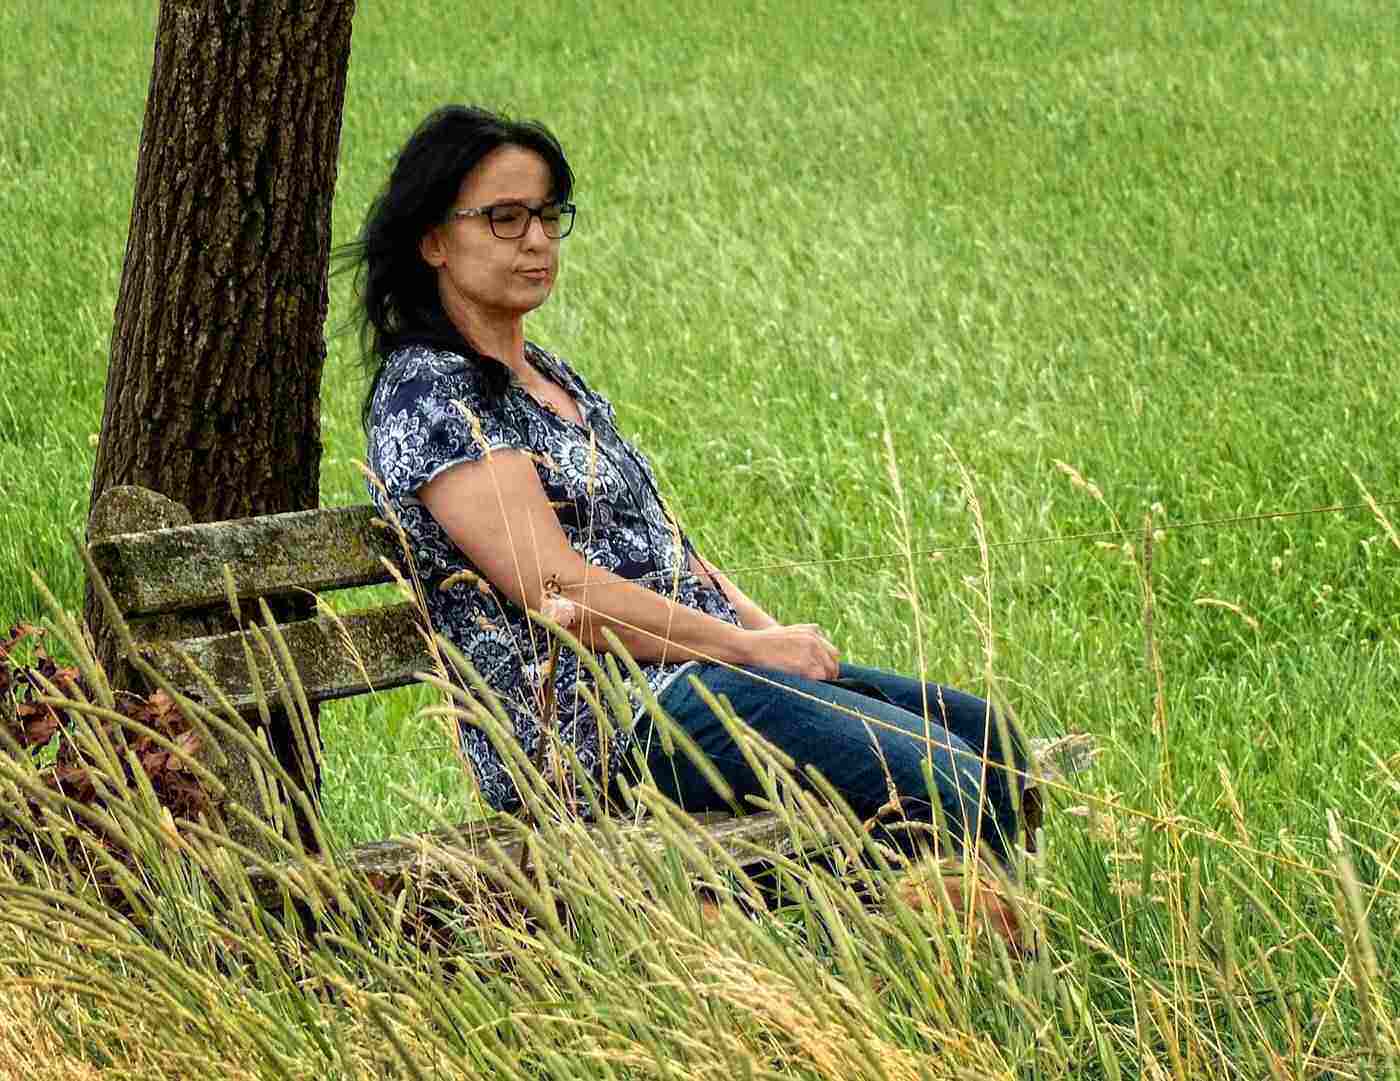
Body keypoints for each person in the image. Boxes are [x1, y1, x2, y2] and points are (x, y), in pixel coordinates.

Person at [347, 105, 1030, 942]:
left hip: (697, 681)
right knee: (944, 780)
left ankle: (888, 946)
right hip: (604, 731)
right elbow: (557, 587)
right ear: (433, 241)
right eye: (505, 217)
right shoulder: (431, 394)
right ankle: (901, 959)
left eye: (548, 215)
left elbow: (670, 550)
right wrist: (743, 651)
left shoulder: (548, 376)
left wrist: (766, 631)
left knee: (989, 743)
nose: (537, 240)